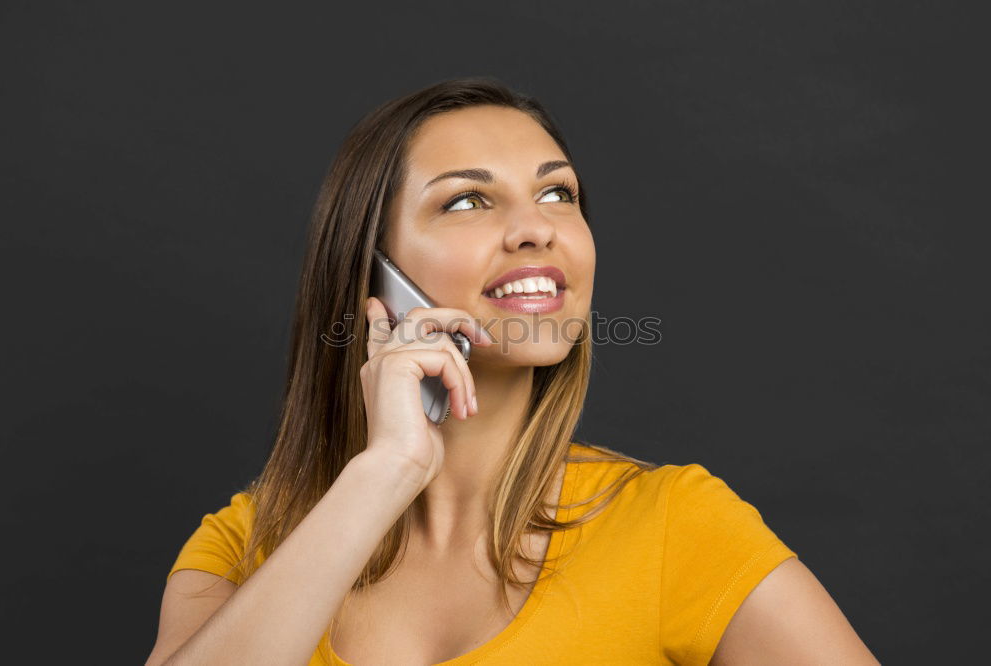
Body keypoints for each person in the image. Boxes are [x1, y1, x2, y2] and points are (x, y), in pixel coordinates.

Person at [146, 77, 879, 665]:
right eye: (468, 200)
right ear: (372, 269)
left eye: (558, 193)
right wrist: (385, 472)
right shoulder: (246, 544)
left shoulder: (674, 525)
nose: (537, 227)